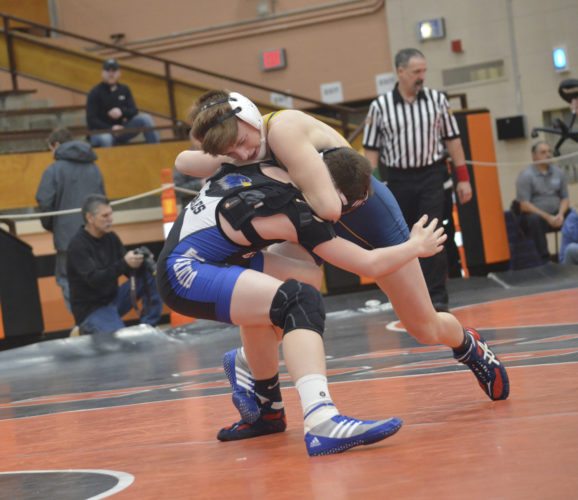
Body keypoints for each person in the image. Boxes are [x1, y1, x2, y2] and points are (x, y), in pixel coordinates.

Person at [174, 90, 509, 445]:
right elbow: (183, 161)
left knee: (423, 326)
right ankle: (266, 401)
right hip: (312, 222)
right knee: (265, 293)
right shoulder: (243, 141)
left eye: (242, 142)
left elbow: (330, 208)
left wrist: (245, 167)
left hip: (363, 214)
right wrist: (225, 150)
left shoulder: (283, 130)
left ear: (251, 117)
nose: (242, 154)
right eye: (232, 151)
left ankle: (468, 345)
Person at [158, 148, 448, 456]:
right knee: (298, 300)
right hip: (186, 271)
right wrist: (416, 246)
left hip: (220, 253)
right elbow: (369, 264)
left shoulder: (270, 160)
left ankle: (264, 402)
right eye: (344, 209)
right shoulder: (294, 212)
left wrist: (231, 153)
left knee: (305, 277)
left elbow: (183, 160)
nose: (337, 217)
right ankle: (321, 419)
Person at [362, 48, 473, 312]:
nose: (422, 76)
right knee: (402, 238)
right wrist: (371, 186)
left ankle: (437, 296)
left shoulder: (437, 100)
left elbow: (453, 141)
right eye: (416, 72)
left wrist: (463, 178)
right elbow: (371, 150)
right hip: (398, 179)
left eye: (424, 71)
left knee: (431, 232)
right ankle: (411, 296)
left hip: (431, 175)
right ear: (400, 72)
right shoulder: (380, 106)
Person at [67, 194, 162, 345]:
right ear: (90, 218)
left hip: (113, 299)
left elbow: (127, 271)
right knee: (120, 341)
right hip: (91, 309)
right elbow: (95, 280)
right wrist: (124, 263)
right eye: (105, 216)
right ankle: (83, 329)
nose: (110, 219)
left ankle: (148, 325)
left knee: (149, 274)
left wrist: (140, 262)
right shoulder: (77, 246)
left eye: (111, 214)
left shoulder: (111, 238)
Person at [35, 127, 106, 308]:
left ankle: (83, 320)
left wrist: (52, 226)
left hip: (67, 238)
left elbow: (45, 203)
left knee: (67, 279)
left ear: (56, 145)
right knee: (96, 278)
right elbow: (103, 201)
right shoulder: (94, 167)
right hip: (95, 235)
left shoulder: (53, 170)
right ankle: (99, 319)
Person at [515, 141, 570, 263]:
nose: (548, 155)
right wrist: (548, 217)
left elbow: (565, 198)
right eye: (543, 152)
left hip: (557, 213)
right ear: (534, 156)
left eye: (549, 151)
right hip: (538, 215)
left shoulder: (559, 172)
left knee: (573, 216)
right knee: (534, 220)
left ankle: (571, 253)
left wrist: (561, 214)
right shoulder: (526, 175)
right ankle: (544, 259)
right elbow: (524, 205)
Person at [86, 58, 160, 148]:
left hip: (121, 130)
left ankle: (156, 150)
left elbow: (134, 110)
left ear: (119, 73)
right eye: (108, 71)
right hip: (101, 131)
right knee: (106, 138)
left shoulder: (124, 89)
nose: (111, 74)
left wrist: (122, 112)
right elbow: (91, 120)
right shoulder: (95, 92)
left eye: (114, 71)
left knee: (145, 118)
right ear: (102, 73)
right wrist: (111, 128)